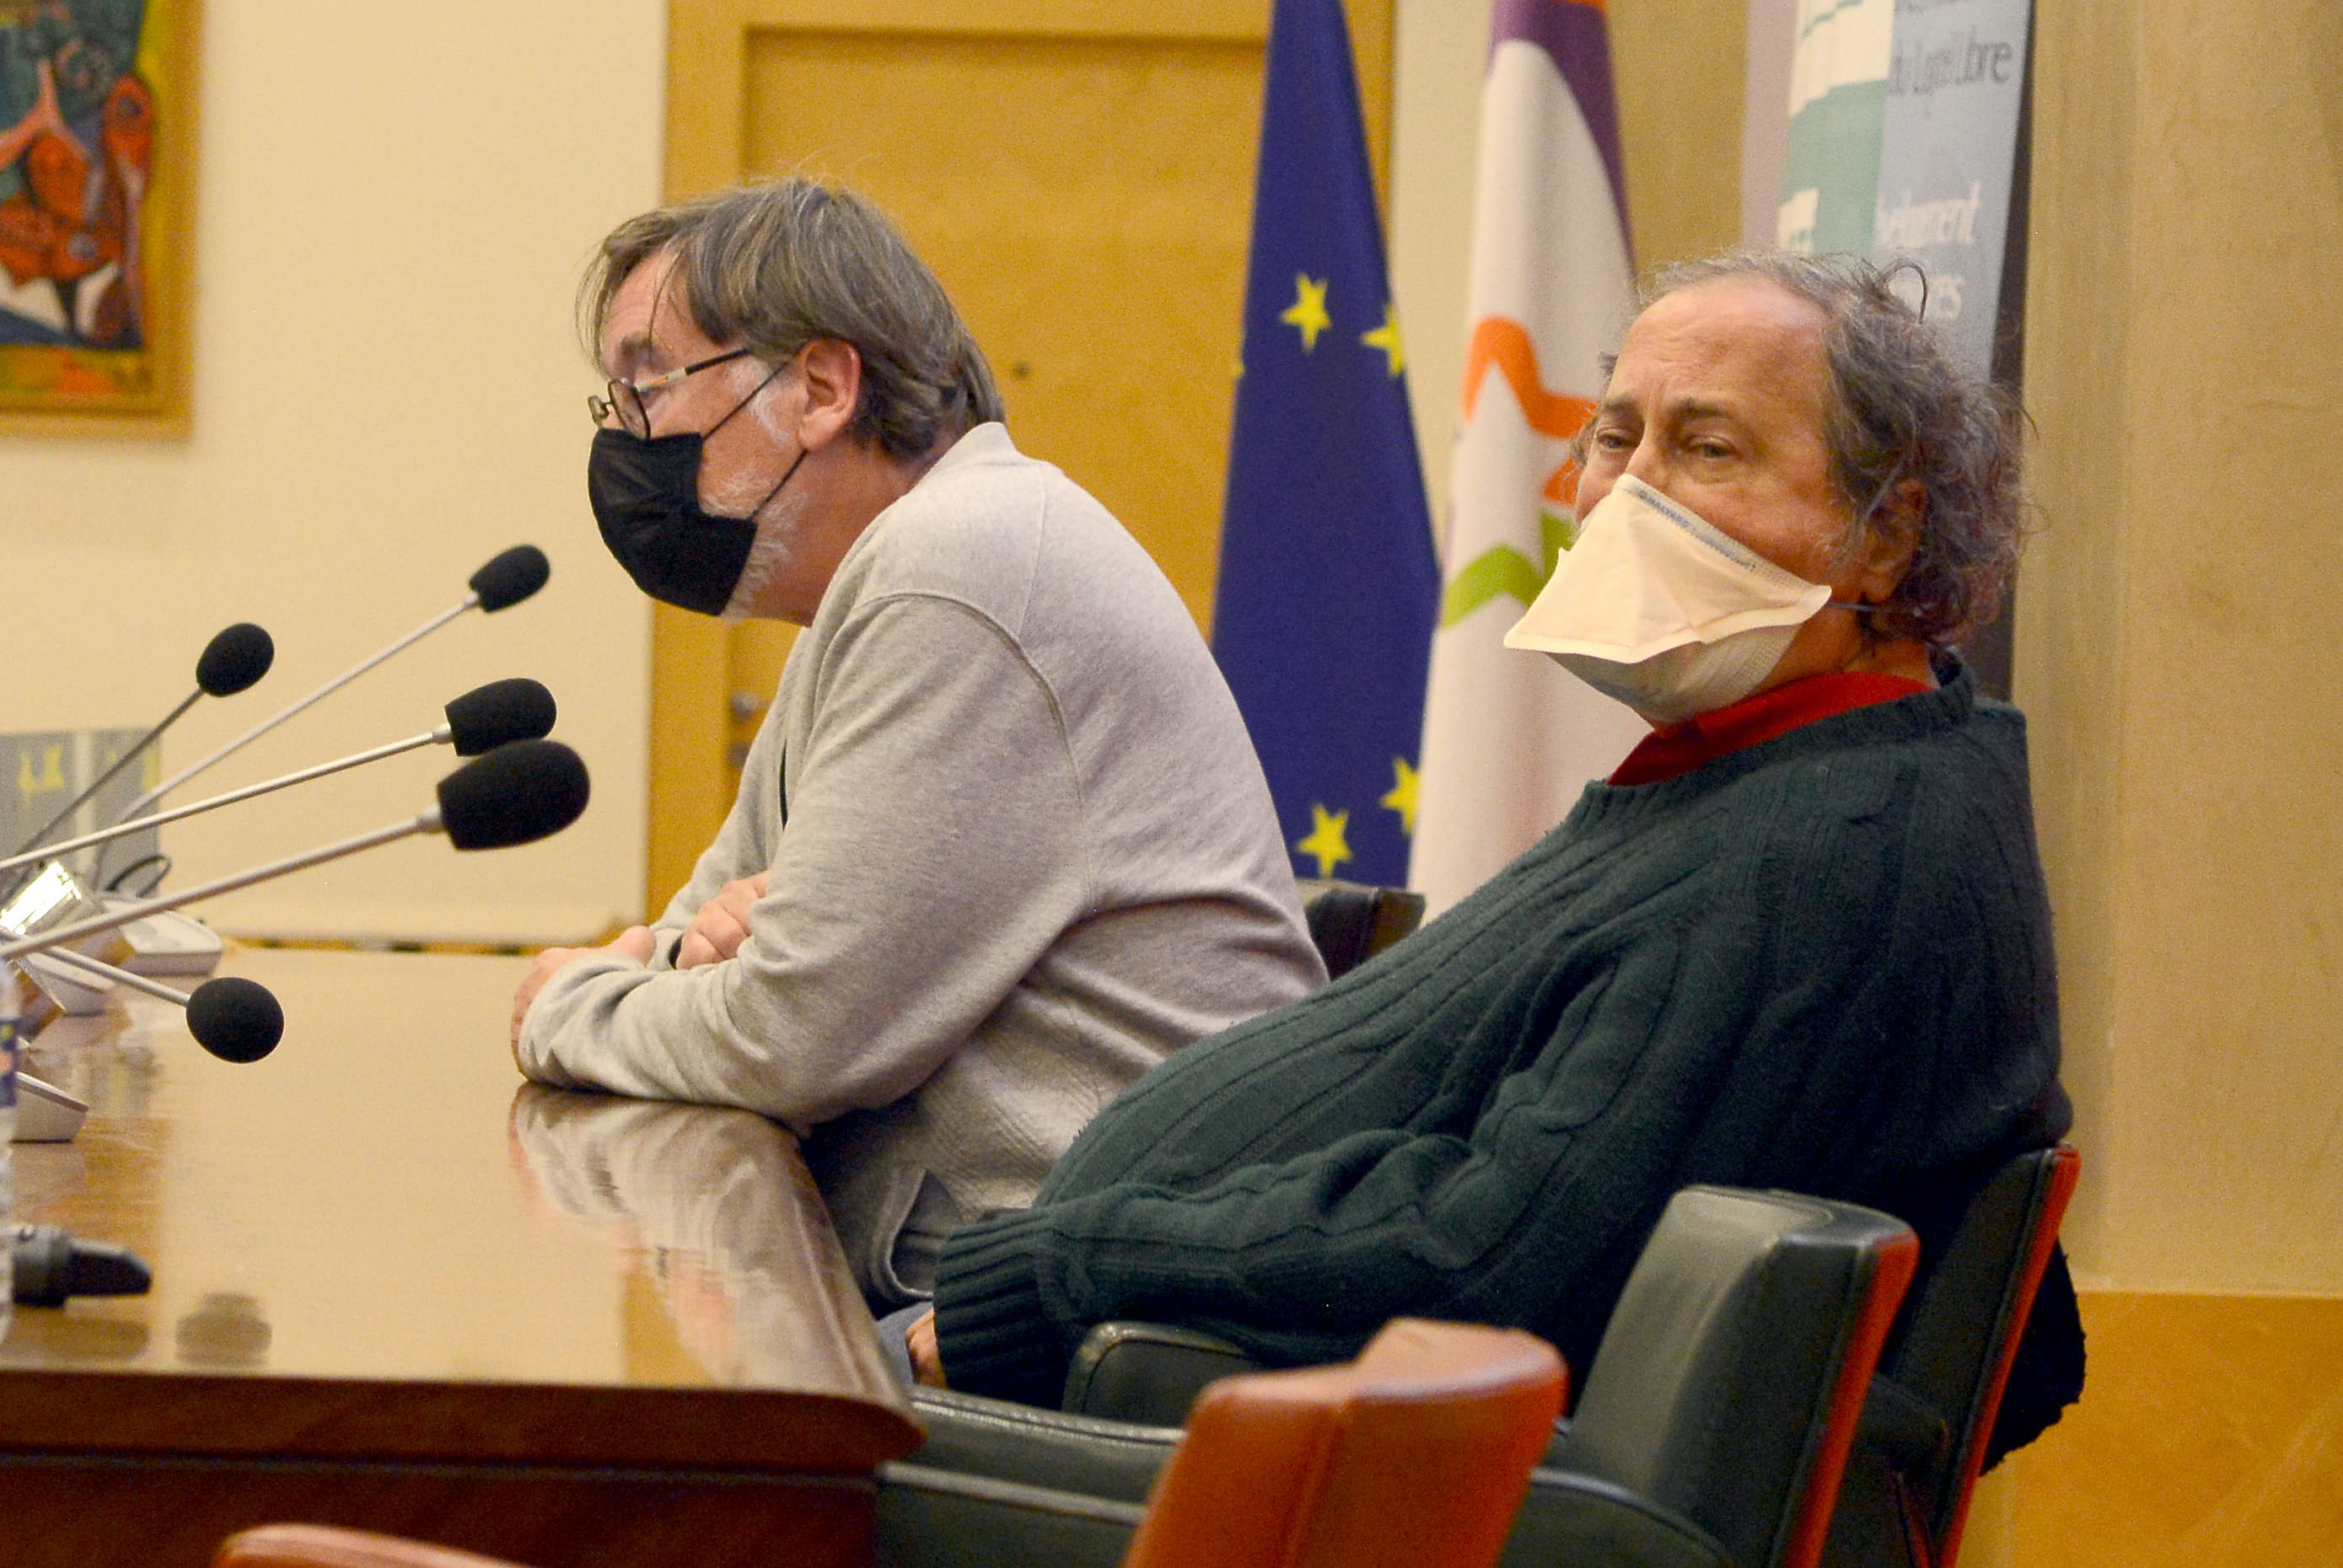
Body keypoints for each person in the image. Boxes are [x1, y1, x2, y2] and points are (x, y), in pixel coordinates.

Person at [911, 252, 2080, 1453]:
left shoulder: (1830, 853)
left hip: (1280, 1458)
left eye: (1709, 448)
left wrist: (1064, 1269)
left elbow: (1495, 1251)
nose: (1628, 495)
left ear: (1885, 539)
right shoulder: (1759, 778)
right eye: (1615, 440)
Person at [510, 180, 1325, 1308]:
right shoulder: (876, 590)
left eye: (648, 386)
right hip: (960, 1274)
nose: (624, 439)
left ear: (823, 387)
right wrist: (688, 965)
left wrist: (566, 1007)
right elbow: (691, 944)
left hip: (1054, 1312)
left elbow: (781, 1038)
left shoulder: (961, 567)